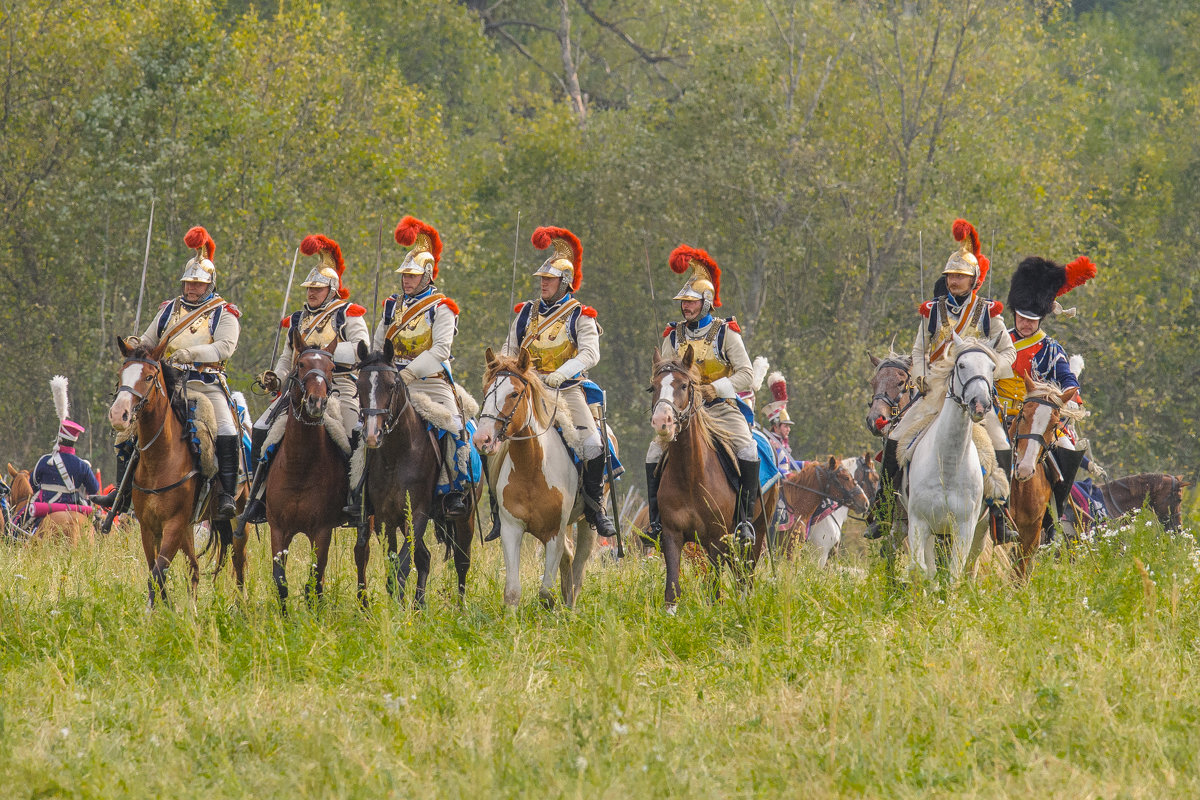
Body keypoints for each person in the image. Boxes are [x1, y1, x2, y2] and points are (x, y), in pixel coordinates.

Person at [867, 218, 1016, 539]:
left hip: (976, 395)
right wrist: (920, 378)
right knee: (896, 437)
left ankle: (1001, 515)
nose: (954, 281)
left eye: (961, 276)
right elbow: (919, 351)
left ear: (973, 279)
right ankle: (883, 508)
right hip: (935, 394)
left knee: (1002, 443)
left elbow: (1009, 354)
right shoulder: (933, 312)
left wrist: (990, 370)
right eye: (950, 276)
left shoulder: (989, 314)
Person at [92, 226, 242, 519]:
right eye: (188, 283)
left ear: (210, 285)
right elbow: (149, 340)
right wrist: (136, 345)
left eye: (198, 284)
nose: (191, 288)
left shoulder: (224, 313)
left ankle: (225, 494)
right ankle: (122, 494)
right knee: (131, 425)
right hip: (168, 381)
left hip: (207, 382)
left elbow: (224, 348)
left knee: (226, 429)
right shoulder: (168, 309)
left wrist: (190, 353)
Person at [492, 225, 617, 539]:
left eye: (549, 280)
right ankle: (498, 511)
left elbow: (590, 352)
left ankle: (594, 507)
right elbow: (510, 346)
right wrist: (505, 365)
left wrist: (566, 371)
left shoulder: (580, 315)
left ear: (564, 282)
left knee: (593, 444)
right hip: (528, 390)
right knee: (494, 439)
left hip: (566, 390)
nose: (543, 285)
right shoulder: (526, 313)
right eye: (542, 280)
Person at [244, 233, 368, 524]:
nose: (311, 292)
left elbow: (363, 351)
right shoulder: (298, 319)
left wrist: (320, 358)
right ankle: (259, 496)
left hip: (341, 387)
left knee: (356, 433)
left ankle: (356, 497)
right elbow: (287, 360)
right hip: (298, 392)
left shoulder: (349, 315)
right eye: (310, 287)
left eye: (318, 288)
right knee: (261, 429)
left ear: (332, 289)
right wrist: (276, 377)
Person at [646, 244, 760, 544]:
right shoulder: (673, 336)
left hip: (720, 409)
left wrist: (716, 388)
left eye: (692, 302)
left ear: (706, 302)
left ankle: (744, 521)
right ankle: (656, 521)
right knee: (653, 451)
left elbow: (746, 374)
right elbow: (663, 373)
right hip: (683, 414)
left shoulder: (726, 333)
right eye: (683, 302)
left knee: (747, 449)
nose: (685, 307)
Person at [369, 215, 471, 519]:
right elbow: (377, 345)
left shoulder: (442, 308)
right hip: (391, 382)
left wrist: (409, 373)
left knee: (455, 427)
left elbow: (441, 349)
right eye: (404, 275)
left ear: (427, 276)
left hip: (430, 382)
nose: (406, 280)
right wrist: (381, 372)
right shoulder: (392, 306)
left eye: (412, 275)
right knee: (366, 425)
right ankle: (359, 488)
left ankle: (454, 489)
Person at [998, 254, 1097, 536]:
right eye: (1021, 317)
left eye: (1031, 320)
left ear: (1041, 318)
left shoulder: (1051, 348)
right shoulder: (999, 340)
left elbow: (1066, 378)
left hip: (1039, 417)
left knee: (1068, 450)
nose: (1025, 324)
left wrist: (1070, 393)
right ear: (1014, 313)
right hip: (998, 412)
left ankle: (1053, 515)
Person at [32, 376, 99, 516]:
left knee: (17, 523)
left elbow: (32, 483)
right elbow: (94, 489)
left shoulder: (45, 460)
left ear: (59, 439)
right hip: (74, 511)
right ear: (74, 441)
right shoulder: (83, 466)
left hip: (44, 510)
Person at [760, 371, 802, 475]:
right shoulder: (771, 444)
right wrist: (788, 475)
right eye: (785, 426)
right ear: (776, 427)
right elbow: (771, 468)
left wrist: (808, 464)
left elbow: (790, 463)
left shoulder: (780, 443)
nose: (788, 429)